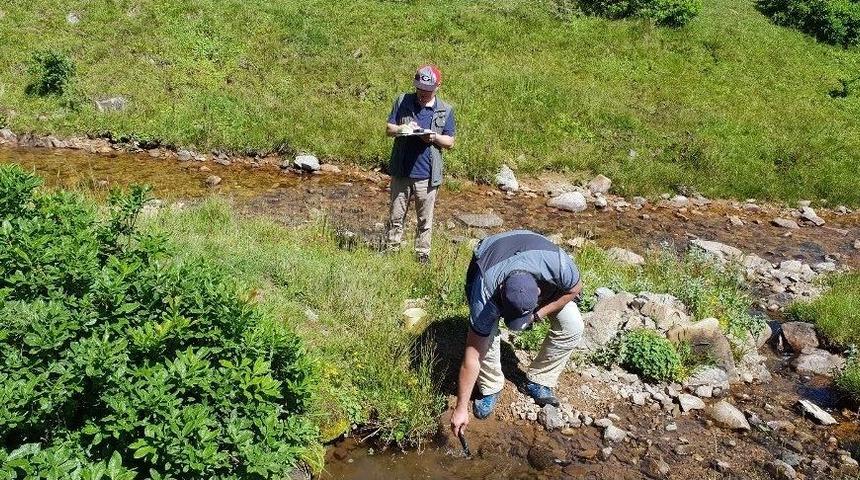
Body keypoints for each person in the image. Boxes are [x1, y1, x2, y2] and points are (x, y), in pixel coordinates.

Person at [450, 230, 584, 436]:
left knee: (573, 326)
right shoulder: (485, 289)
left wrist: (538, 314)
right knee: (486, 334)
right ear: (501, 290)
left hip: (534, 256)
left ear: (539, 292)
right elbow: (472, 356)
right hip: (491, 257)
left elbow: (574, 289)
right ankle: (491, 386)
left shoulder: (559, 265)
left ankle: (541, 380)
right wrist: (461, 408)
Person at [384, 65, 456, 263]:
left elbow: (449, 141)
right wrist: (402, 129)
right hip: (402, 170)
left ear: (437, 87)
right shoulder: (402, 101)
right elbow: (389, 129)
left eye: (427, 90)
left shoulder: (445, 110)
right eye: (419, 89)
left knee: (425, 220)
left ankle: (422, 255)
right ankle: (391, 250)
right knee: (396, 215)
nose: (422, 93)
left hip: (427, 173)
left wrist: (433, 137)